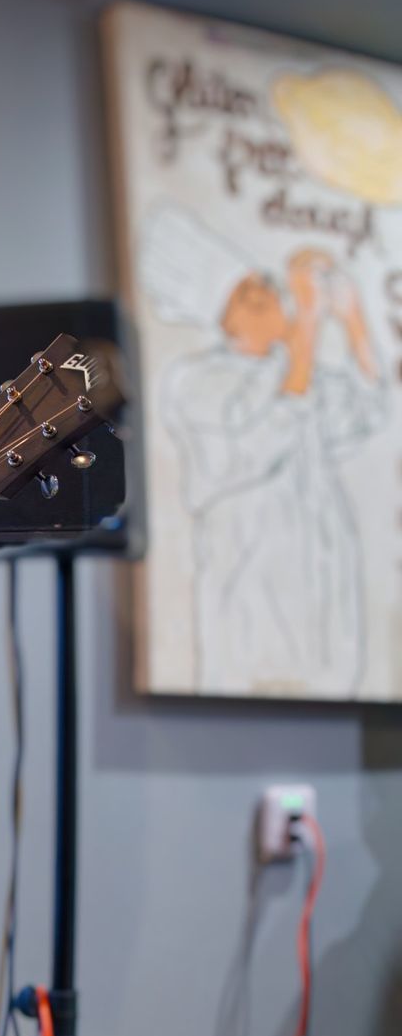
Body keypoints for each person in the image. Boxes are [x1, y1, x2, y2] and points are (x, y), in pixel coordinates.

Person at [138, 202, 384, 697]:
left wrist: (353, 321)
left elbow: (367, 411)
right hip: (251, 610)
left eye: (265, 285)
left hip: (324, 612)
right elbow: (268, 434)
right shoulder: (196, 382)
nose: (274, 297)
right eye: (252, 296)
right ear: (226, 322)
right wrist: (308, 332)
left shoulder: (290, 370)